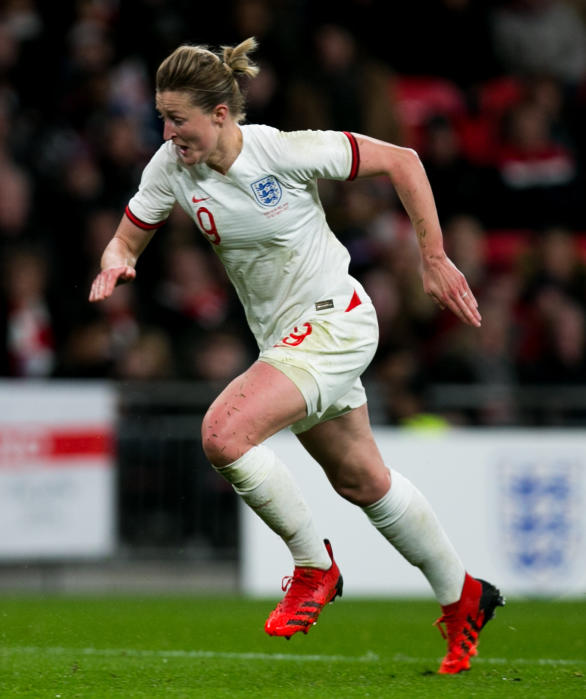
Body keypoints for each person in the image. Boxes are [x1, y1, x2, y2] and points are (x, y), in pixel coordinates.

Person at [88, 38, 503, 674]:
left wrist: (432, 256)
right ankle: (464, 595)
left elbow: (404, 160)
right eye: (162, 118)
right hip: (286, 343)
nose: (167, 132)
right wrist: (116, 262)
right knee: (362, 480)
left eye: (179, 118)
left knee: (223, 435)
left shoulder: (280, 149)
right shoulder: (170, 166)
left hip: (334, 322)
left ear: (222, 113)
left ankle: (314, 567)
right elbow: (126, 239)